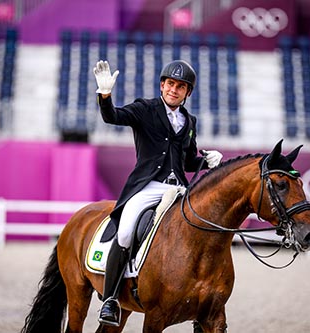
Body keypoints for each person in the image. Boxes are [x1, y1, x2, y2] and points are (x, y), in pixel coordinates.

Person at [93, 59, 223, 326]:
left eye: (181, 87)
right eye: (171, 84)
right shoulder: (145, 108)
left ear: (188, 93)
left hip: (179, 190)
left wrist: (206, 161)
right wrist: (105, 96)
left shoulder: (189, 121)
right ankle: (110, 299)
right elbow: (113, 116)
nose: (174, 90)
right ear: (162, 85)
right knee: (127, 229)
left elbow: (186, 163)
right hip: (149, 187)